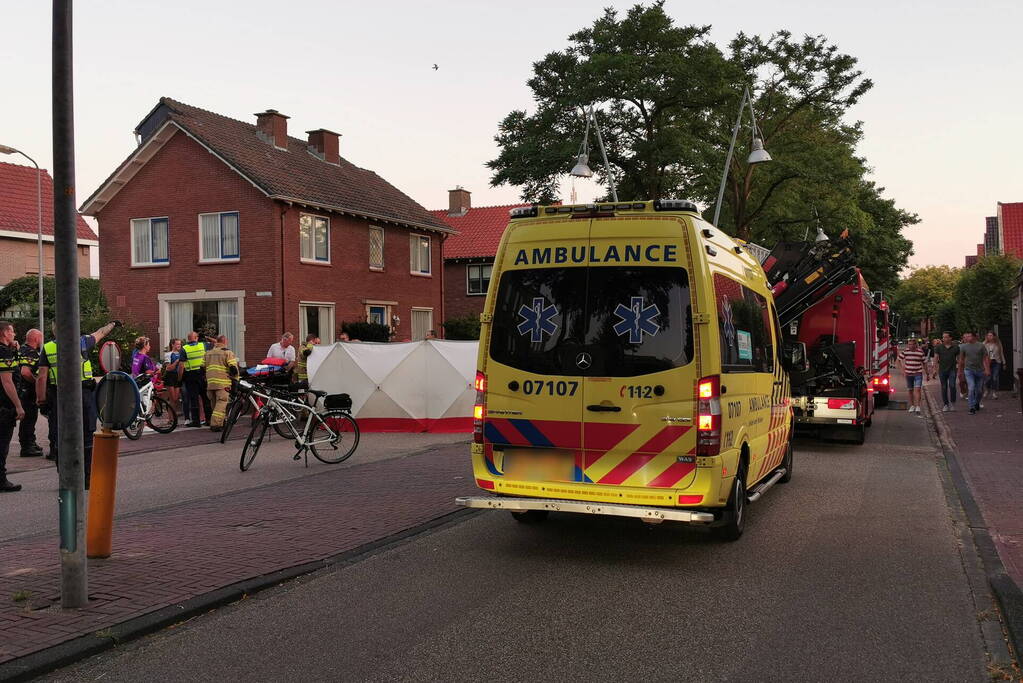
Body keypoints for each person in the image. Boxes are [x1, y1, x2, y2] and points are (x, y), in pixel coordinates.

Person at [35, 320, 120, 488]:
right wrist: (112, 324)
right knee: (87, 437)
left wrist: (41, 400)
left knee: (60, 437)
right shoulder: (82, 342)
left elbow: (42, 377)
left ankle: (66, 479)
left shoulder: (48, 348)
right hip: (84, 395)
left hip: (60, 396)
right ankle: (87, 479)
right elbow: (101, 332)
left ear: (54, 332)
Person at [0, 321, 26, 491]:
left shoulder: (8, 351)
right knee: (2, 444)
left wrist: (14, 351)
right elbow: (7, 381)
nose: (14, 334)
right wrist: (18, 406)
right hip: (3, 406)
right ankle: (1, 480)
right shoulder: (3, 352)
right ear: (4, 333)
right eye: (12, 331)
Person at [16, 328, 44, 457]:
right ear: (36, 338)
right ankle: (27, 446)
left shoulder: (21, 350)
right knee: (29, 419)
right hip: (28, 391)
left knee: (28, 419)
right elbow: (25, 372)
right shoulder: (31, 352)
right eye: (41, 338)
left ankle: (30, 442)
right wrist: (36, 383)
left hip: (21, 390)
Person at [204, 335, 239, 432]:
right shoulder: (227, 352)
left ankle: (221, 422)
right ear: (225, 341)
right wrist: (235, 380)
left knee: (214, 404)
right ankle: (215, 424)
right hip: (222, 383)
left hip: (210, 383)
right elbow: (233, 369)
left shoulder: (208, 353)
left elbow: (202, 367)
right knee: (222, 403)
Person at [181, 331, 212, 428]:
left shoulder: (184, 348)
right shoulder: (203, 345)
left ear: (188, 339)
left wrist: (180, 378)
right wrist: (207, 337)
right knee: (206, 398)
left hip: (190, 376)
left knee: (194, 399)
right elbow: (217, 342)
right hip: (203, 375)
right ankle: (209, 420)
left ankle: (196, 421)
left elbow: (181, 365)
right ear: (196, 338)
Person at [957, 331, 991, 415]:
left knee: (979, 390)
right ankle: (971, 407)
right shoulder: (963, 347)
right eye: (966, 336)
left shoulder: (981, 346)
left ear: (974, 337)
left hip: (980, 370)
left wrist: (987, 369)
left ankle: (976, 403)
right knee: (971, 388)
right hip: (969, 370)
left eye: (969, 336)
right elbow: (961, 360)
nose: (967, 338)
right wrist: (960, 371)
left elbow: (986, 358)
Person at [934, 331, 961, 412]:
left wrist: (960, 369)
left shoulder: (956, 347)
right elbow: (936, 358)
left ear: (950, 338)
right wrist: (935, 369)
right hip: (942, 370)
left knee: (952, 386)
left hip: (952, 369)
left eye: (946, 337)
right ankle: (946, 404)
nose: (944, 338)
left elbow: (959, 359)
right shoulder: (939, 347)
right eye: (943, 337)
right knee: (944, 387)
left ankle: (953, 403)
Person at [899, 338, 926, 415]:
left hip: (918, 373)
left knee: (917, 389)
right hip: (908, 374)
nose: (911, 346)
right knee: (910, 390)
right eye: (909, 344)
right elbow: (898, 360)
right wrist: (902, 371)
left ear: (916, 345)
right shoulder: (906, 352)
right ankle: (912, 405)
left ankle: (918, 406)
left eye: (912, 344)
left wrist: (927, 373)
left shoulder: (920, 352)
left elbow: (924, 363)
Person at [163, 338, 184, 411]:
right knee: (172, 399)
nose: (179, 346)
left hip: (178, 376)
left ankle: (173, 417)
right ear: (172, 345)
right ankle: (171, 418)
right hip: (170, 376)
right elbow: (168, 368)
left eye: (180, 344)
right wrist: (177, 361)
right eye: (177, 344)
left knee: (176, 399)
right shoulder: (168, 354)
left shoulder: (182, 353)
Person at [983, 331, 1005, 399]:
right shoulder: (984, 344)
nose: (989, 337)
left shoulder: (998, 343)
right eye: (988, 335)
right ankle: (986, 390)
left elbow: (1001, 353)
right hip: (987, 362)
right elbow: (981, 354)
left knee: (995, 378)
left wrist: (1004, 362)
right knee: (987, 378)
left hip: (996, 362)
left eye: (991, 335)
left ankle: (994, 392)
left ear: (994, 336)